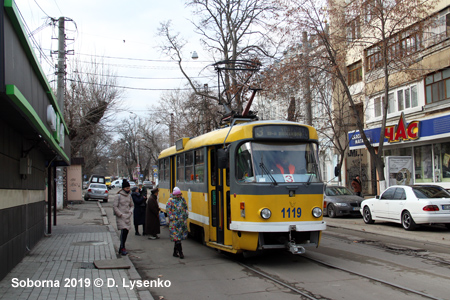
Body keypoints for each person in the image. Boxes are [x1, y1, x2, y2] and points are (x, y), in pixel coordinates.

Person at [166, 187, 188, 259]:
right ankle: (181, 253)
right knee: (177, 237)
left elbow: (185, 207)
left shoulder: (182, 199)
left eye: (180, 194)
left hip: (181, 222)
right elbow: (168, 211)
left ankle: (175, 252)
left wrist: (185, 215)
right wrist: (172, 217)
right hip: (174, 223)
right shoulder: (170, 201)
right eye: (178, 195)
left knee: (178, 238)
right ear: (175, 194)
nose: (179, 196)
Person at [113, 179, 134, 256]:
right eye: (127, 188)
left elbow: (132, 205)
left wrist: (130, 211)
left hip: (127, 216)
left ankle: (121, 247)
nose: (128, 190)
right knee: (124, 231)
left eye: (129, 188)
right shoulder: (118, 196)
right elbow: (115, 207)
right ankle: (122, 247)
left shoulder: (129, 196)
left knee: (126, 231)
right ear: (123, 188)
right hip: (121, 216)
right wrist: (120, 214)